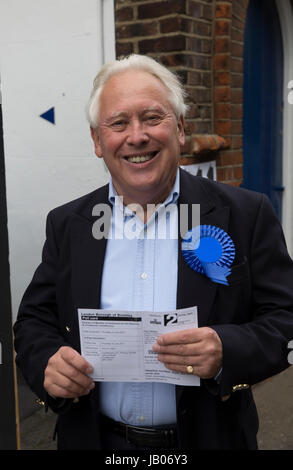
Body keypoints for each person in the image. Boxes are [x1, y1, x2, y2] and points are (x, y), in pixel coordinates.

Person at [14, 54, 293, 450]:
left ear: (179, 129)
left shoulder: (246, 215)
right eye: (118, 123)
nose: (137, 136)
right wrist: (46, 363)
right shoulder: (68, 224)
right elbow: (32, 320)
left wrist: (228, 349)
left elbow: (286, 319)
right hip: (95, 440)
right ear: (97, 140)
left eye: (152, 117)